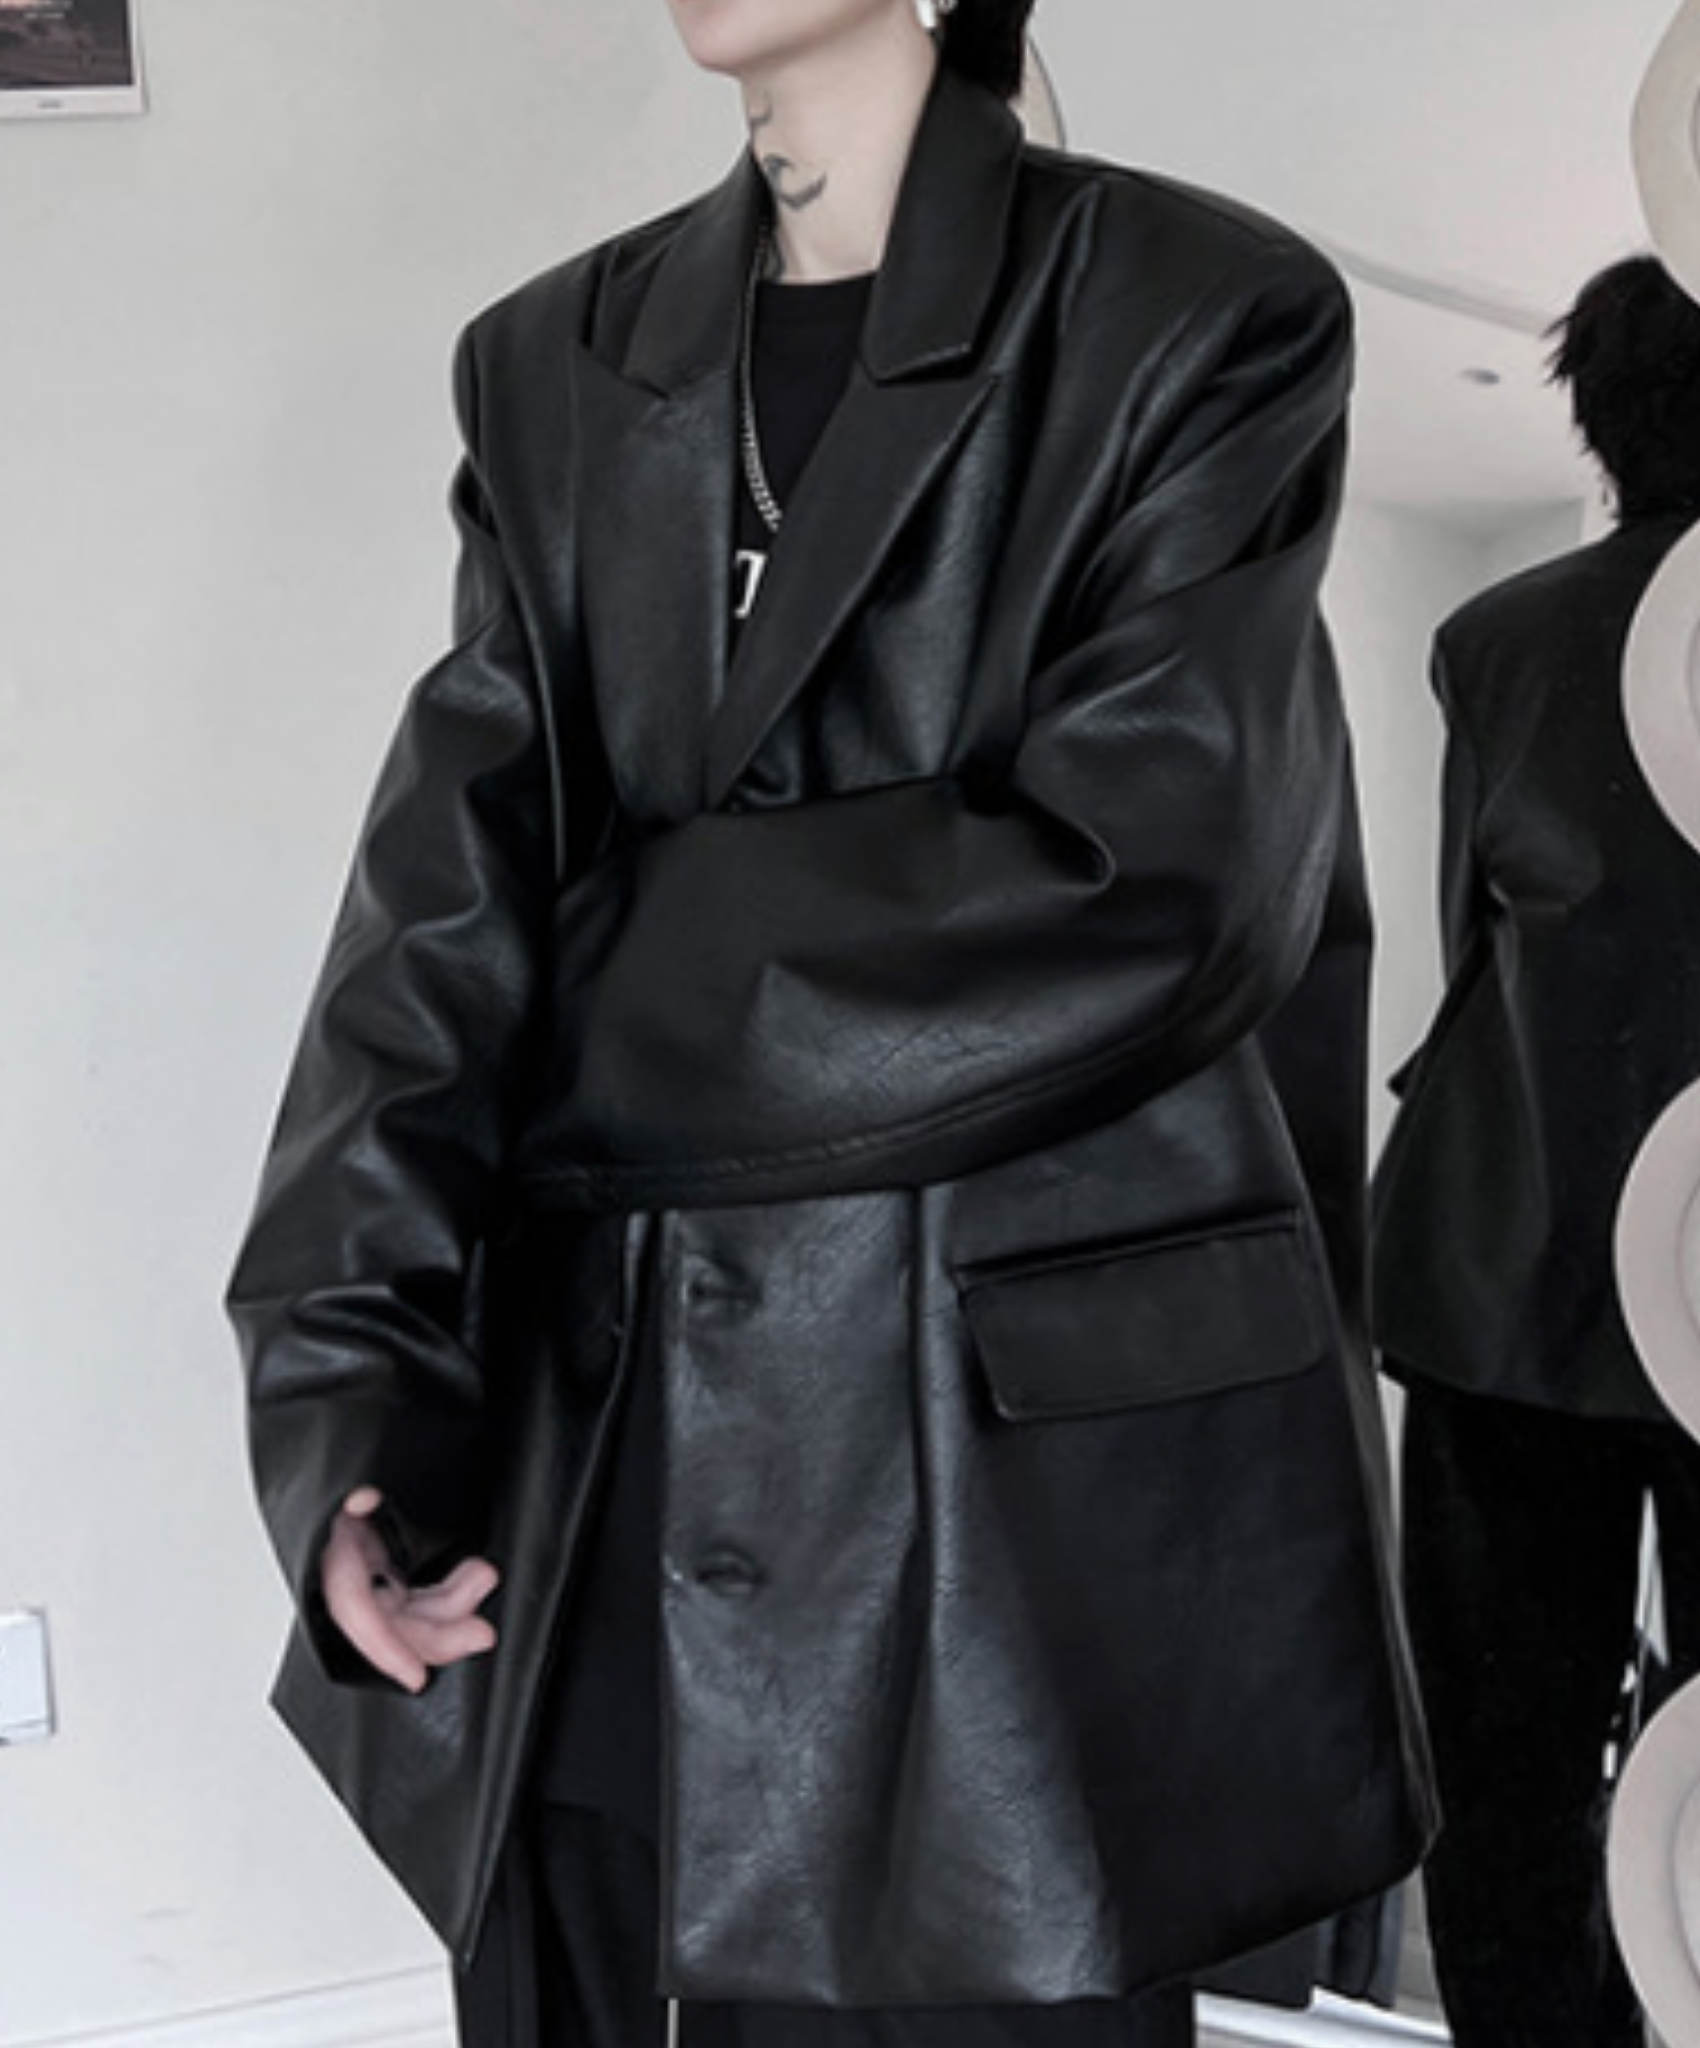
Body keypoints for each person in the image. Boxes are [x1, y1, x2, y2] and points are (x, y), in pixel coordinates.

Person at [228, 3, 1433, 2044]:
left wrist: (583, 988)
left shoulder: (1197, 312)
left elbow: (1147, 883)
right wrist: (348, 1398)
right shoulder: (550, 363)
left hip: (1000, 1570)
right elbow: (433, 922)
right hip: (592, 1508)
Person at [1371, 253, 1700, 2048]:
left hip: (1510, 1252)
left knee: (1505, 1766)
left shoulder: (1498, 644)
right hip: (1667, 1261)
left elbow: (1473, 953)